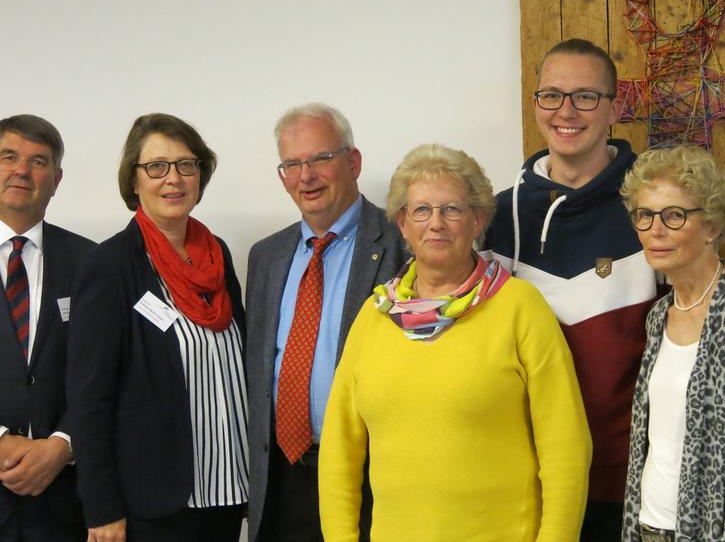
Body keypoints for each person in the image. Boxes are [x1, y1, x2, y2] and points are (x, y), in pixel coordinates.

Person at [319, 143, 591, 541]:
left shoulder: (519, 307)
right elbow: (339, 451)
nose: (436, 223)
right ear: (402, 224)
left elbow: (566, 446)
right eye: (422, 210)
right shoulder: (374, 317)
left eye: (452, 209)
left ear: (478, 219)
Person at [483, 38, 658, 540]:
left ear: (614, 108)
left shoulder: (654, 210)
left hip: (622, 483)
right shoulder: (494, 217)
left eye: (585, 96)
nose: (566, 111)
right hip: (521, 480)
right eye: (552, 95)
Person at [66, 114, 248, 542]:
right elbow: (89, 398)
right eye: (157, 167)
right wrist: (102, 508)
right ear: (133, 180)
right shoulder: (109, 266)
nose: (174, 179)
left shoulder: (216, 255)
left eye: (187, 165)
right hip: (153, 506)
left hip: (226, 492)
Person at [246, 103, 405, 542]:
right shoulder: (266, 256)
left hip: (367, 474)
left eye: (320, 159)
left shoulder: (401, 241)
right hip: (280, 476)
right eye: (292, 164)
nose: (306, 175)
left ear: (353, 162)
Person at [618, 145, 725, 541]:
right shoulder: (660, 315)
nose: (655, 230)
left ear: (711, 225)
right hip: (648, 525)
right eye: (645, 215)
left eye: (674, 215)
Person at [0, 115, 95, 542]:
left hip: (66, 503)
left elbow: (107, 369)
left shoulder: (92, 263)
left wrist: (64, 443)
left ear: (55, 180)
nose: (22, 170)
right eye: (8, 157)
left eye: (38, 161)